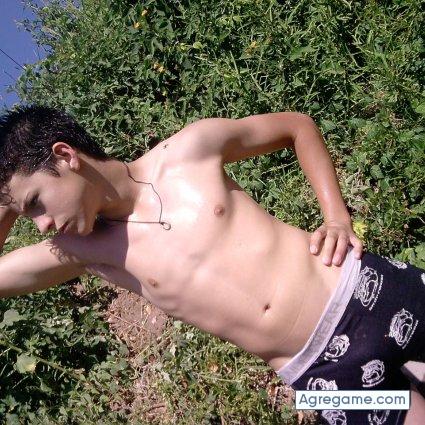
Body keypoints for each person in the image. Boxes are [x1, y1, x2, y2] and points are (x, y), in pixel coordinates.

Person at [0, 106, 423, 424]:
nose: (41, 225)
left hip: (367, 288)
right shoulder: (85, 251)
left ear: (65, 155)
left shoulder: (189, 151)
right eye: (25, 214)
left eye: (35, 202)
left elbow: (297, 126)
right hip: (320, 375)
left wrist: (336, 218)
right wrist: (6, 201)